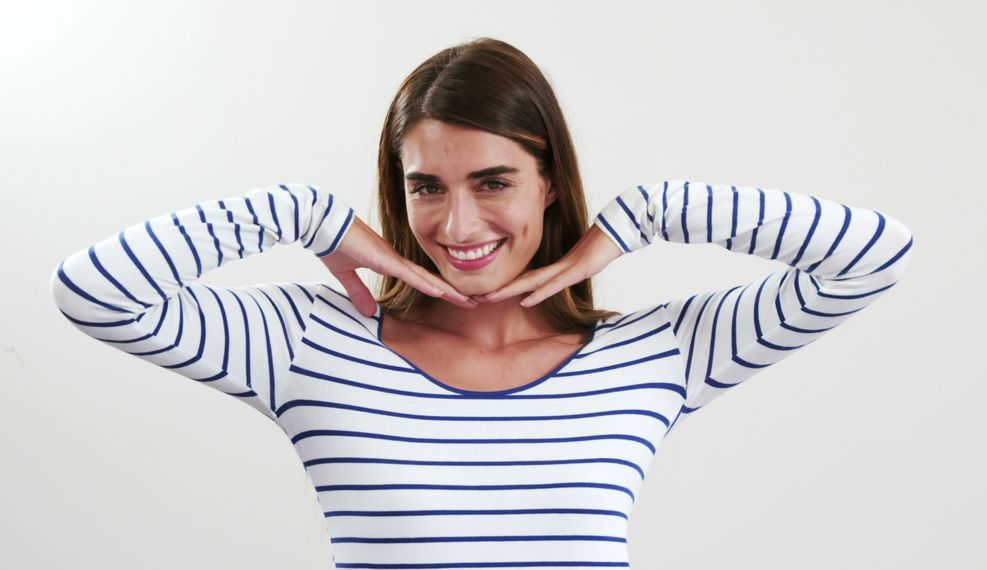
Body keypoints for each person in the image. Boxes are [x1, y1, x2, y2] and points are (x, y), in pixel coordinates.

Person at [50, 37, 914, 569]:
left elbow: (874, 257)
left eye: (494, 180)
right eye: (427, 187)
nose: (457, 223)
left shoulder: (657, 354)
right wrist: (297, 214)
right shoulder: (309, 340)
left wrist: (654, 212)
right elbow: (93, 294)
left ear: (549, 186)